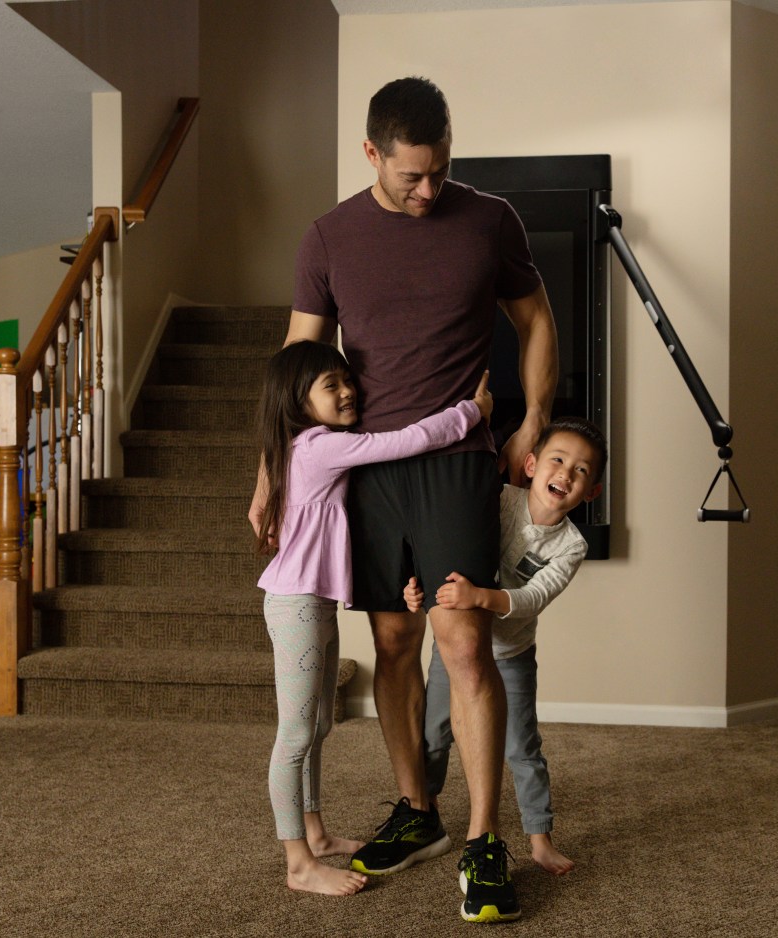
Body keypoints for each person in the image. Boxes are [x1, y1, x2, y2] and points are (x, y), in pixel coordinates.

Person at [249, 75, 558, 924]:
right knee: (392, 641)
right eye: (410, 175)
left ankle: (483, 838)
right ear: (372, 154)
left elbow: (535, 319)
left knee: (464, 643)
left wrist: (533, 420)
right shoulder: (328, 236)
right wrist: (273, 469)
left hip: (458, 457)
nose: (428, 190)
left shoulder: (490, 218)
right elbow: (296, 362)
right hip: (368, 467)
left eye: (440, 170)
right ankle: (417, 810)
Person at [254, 339, 493, 897]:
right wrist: (471, 412)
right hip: (295, 604)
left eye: (346, 380)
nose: (347, 391)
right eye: (330, 385)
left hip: (312, 602)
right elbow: (407, 440)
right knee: (293, 735)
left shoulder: (303, 447)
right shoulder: (318, 447)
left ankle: (313, 833)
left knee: (318, 725)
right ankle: (297, 863)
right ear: (297, 399)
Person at [405, 416, 607, 878]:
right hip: (454, 648)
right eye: (558, 460)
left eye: (581, 471)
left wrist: (480, 598)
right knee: (433, 735)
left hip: (511, 656)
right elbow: (447, 553)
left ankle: (540, 838)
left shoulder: (571, 546)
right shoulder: (499, 498)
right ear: (531, 464)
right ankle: (424, 812)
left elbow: (533, 597)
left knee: (522, 748)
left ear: (591, 492)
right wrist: (417, 593)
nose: (566, 474)